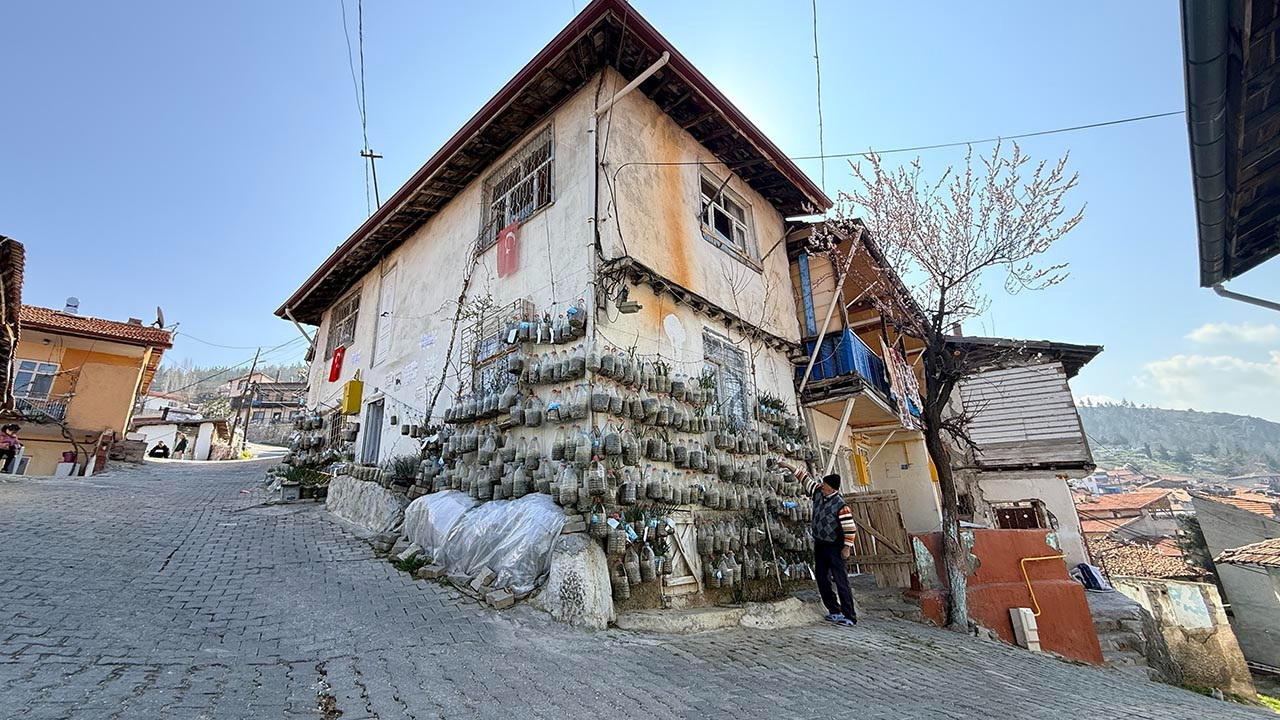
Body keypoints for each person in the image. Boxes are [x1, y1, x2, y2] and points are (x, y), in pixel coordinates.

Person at [781, 461, 859, 626]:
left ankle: (849, 616)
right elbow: (804, 479)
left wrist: (847, 548)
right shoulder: (818, 492)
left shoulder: (841, 505)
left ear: (832, 488)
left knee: (841, 580)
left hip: (835, 546)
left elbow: (850, 528)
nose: (821, 486)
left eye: (824, 485)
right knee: (822, 578)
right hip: (820, 543)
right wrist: (788, 466)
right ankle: (834, 610)